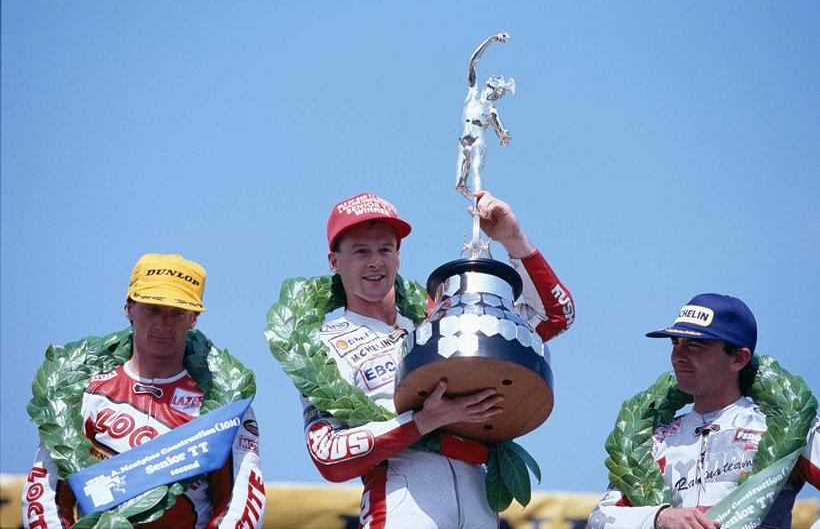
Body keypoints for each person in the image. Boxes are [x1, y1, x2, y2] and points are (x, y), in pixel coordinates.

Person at [300, 191, 575, 528]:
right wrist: (422, 422)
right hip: (402, 497)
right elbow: (327, 456)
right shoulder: (323, 346)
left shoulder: (439, 321)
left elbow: (554, 318)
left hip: (480, 499)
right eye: (361, 251)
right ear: (334, 262)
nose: (375, 262)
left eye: (385, 249)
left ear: (398, 256)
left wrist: (512, 238)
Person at [21, 254, 265, 529]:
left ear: (193, 319)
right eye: (152, 308)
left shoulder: (224, 405)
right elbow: (44, 496)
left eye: (177, 312)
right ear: (129, 309)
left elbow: (241, 501)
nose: (163, 323)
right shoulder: (84, 394)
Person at [588, 293, 819, 529]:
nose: (678, 356)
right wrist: (660, 518)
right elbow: (600, 519)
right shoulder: (655, 439)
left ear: (738, 358)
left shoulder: (787, 427)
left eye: (695, 346)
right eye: (675, 343)